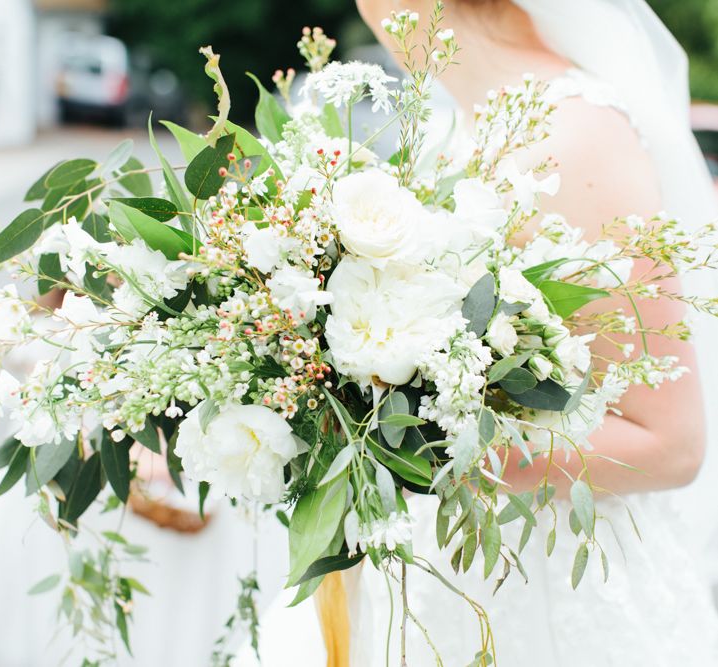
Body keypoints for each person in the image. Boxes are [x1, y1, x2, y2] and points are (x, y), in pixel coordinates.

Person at [236, 1, 718, 665]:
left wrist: (416, 449)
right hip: (430, 579)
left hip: (544, 591)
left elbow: (669, 442)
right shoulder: (451, 125)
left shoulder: (576, 134)